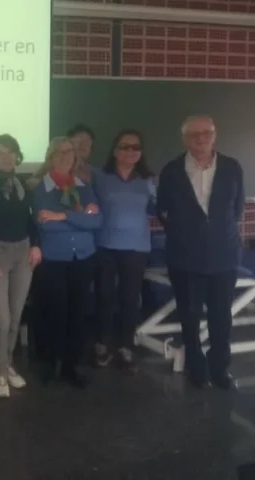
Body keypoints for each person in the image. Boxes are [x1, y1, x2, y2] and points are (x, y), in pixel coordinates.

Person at [157, 115, 244, 390]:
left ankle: (220, 370)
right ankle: (196, 369)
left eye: (206, 132)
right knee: (189, 316)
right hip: (184, 257)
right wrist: (185, 233)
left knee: (221, 317)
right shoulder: (171, 170)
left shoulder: (232, 167)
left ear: (214, 135)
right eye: (194, 134)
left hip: (224, 256)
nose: (201, 138)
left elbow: (237, 208)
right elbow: (163, 209)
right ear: (184, 139)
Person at [0, 135, 41, 398]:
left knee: (15, 315)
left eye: (10, 152)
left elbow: (32, 220)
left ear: (17, 155)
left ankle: (7, 363)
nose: (6, 157)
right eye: (0, 153)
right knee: (1, 319)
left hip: (23, 253)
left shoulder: (24, 184)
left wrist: (36, 244)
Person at [31, 137, 102, 388]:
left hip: (83, 257)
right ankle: (51, 365)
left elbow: (97, 222)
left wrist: (61, 215)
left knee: (78, 314)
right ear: (50, 156)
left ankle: (71, 366)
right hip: (54, 259)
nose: (65, 156)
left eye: (69, 151)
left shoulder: (84, 186)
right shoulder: (40, 188)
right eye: (59, 152)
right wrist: (79, 217)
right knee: (55, 314)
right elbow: (45, 226)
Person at [92, 129, 156, 371]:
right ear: (115, 150)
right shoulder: (99, 176)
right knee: (104, 298)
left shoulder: (147, 180)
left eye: (135, 147)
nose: (130, 151)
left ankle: (126, 346)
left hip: (136, 246)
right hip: (105, 245)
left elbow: (154, 210)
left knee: (130, 300)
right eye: (125, 146)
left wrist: (156, 196)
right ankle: (101, 345)